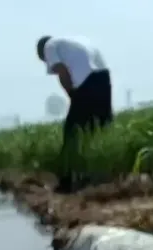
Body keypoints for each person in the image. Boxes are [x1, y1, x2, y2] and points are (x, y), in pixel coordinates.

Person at [36, 35, 113, 191]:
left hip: (87, 82)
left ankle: (67, 183)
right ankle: (106, 175)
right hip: (103, 77)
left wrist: (73, 95)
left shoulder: (49, 46)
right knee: (102, 126)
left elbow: (62, 71)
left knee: (72, 133)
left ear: (42, 53)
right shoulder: (75, 42)